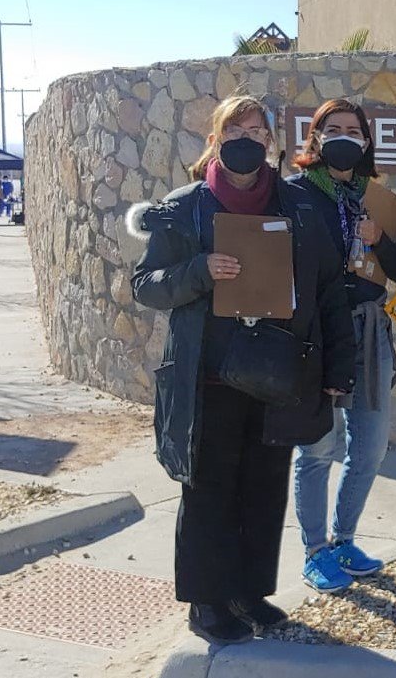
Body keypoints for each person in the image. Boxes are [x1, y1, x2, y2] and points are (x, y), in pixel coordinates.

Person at [130, 94, 356, 644]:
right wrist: (200, 270)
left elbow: (330, 291)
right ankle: (206, 602)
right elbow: (147, 285)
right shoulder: (184, 207)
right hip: (208, 380)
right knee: (209, 489)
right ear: (215, 138)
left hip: (279, 376)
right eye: (237, 128)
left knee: (263, 489)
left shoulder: (299, 206)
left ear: (272, 144)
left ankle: (249, 594)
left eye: (259, 131)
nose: (248, 139)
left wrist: (339, 369)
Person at [286, 99, 396, 593]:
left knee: (371, 444)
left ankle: (344, 539)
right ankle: (315, 550)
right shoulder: (295, 195)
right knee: (318, 446)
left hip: (368, 329)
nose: (342, 137)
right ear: (315, 139)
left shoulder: (376, 199)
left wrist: (379, 238)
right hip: (318, 334)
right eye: (331, 128)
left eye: (352, 129)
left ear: (365, 140)